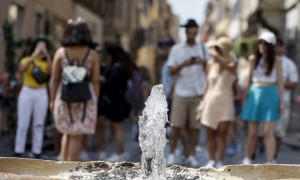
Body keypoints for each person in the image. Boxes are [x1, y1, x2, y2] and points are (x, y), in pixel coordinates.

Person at [50, 18, 99, 161]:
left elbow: (54, 79)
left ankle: (64, 166)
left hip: (65, 96)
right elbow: (95, 81)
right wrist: (94, 99)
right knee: (77, 136)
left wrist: (52, 100)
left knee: (67, 132)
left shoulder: (61, 53)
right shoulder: (92, 54)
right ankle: (69, 171)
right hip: (85, 99)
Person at [166, 19, 209, 167]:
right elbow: (171, 70)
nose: (192, 35)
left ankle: (191, 155)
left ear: (197, 32)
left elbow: (208, 70)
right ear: (185, 32)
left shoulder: (203, 49)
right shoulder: (177, 49)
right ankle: (171, 154)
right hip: (181, 91)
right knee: (176, 126)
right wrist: (184, 64)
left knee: (195, 128)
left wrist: (201, 62)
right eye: (189, 32)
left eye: (194, 32)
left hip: (198, 92)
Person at [240, 31, 284, 164]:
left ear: (269, 45)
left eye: (263, 43)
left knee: (268, 132)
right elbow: (248, 80)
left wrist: (281, 103)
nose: (260, 45)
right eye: (259, 42)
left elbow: (280, 83)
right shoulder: (253, 59)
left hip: (270, 94)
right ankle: (248, 158)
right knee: (252, 132)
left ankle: (270, 161)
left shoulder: (276, 61)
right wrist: (245, 98)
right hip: (255, 93)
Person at [200, 37, 237, 168]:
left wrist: (217, 57)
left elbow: (229, 67)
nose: (214, 51)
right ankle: (211, 159)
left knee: (223, 133)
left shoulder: (232, 63)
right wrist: (202, 102)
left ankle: (220, 160)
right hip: (211, 101)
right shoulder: (210, 65)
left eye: (218, 48)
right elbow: (207, 85)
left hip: (225, 101)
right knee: (210, 134)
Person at [14, 38, 52, 158]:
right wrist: (33, 56)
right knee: (23, 123)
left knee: (39, 124)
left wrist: (47, 55)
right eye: (39, 45)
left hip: (41, 93)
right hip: (27, 91)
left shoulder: (46, 62)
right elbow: (22, 69)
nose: (41, 48)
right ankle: (18, 150)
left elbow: (51, 72)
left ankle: (37, 150)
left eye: (43, 46)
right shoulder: (26, 59)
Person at [102, 45, 134, 162]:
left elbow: (111, 84)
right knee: (117, 126)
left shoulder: (117, 67)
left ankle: (119, 152)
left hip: (117, 102)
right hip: (122, 101)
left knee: (118, 127)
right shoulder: (124, 66)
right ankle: (121, 151)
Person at [274, 38, 298, 162]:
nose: (278, 48)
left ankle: (273, 157)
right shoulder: (266, 62)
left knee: (279, 132)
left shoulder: (289, 64)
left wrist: (280, 83)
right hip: (268, 100)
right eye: (275, 46)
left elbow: (294, 84)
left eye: (280, 46)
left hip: (284, 101)